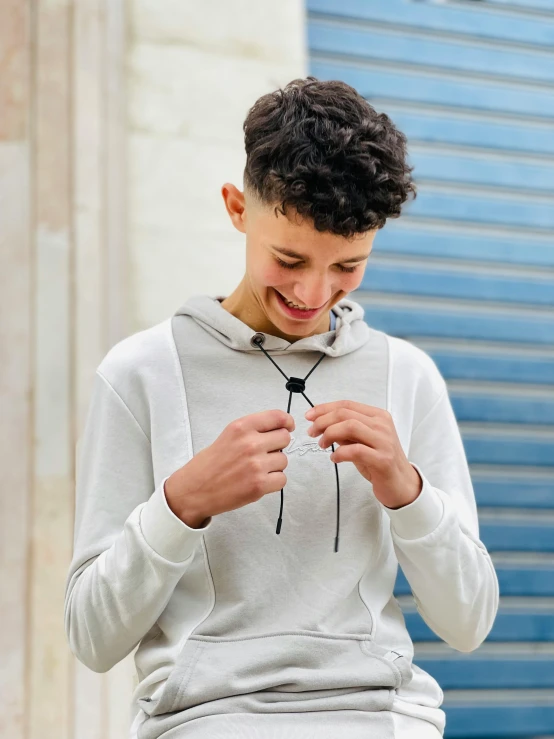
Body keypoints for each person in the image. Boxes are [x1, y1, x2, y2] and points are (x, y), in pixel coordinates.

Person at [64, 76, 499, 739]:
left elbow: (469, 622)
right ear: (238, 208)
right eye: (289, 257)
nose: (312, 292)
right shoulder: (141, 373)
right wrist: (180, 503)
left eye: (347, 266)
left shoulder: (408, 376)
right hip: (207, 720)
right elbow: (92, 636)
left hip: (385, 719)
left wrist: (407, 493)